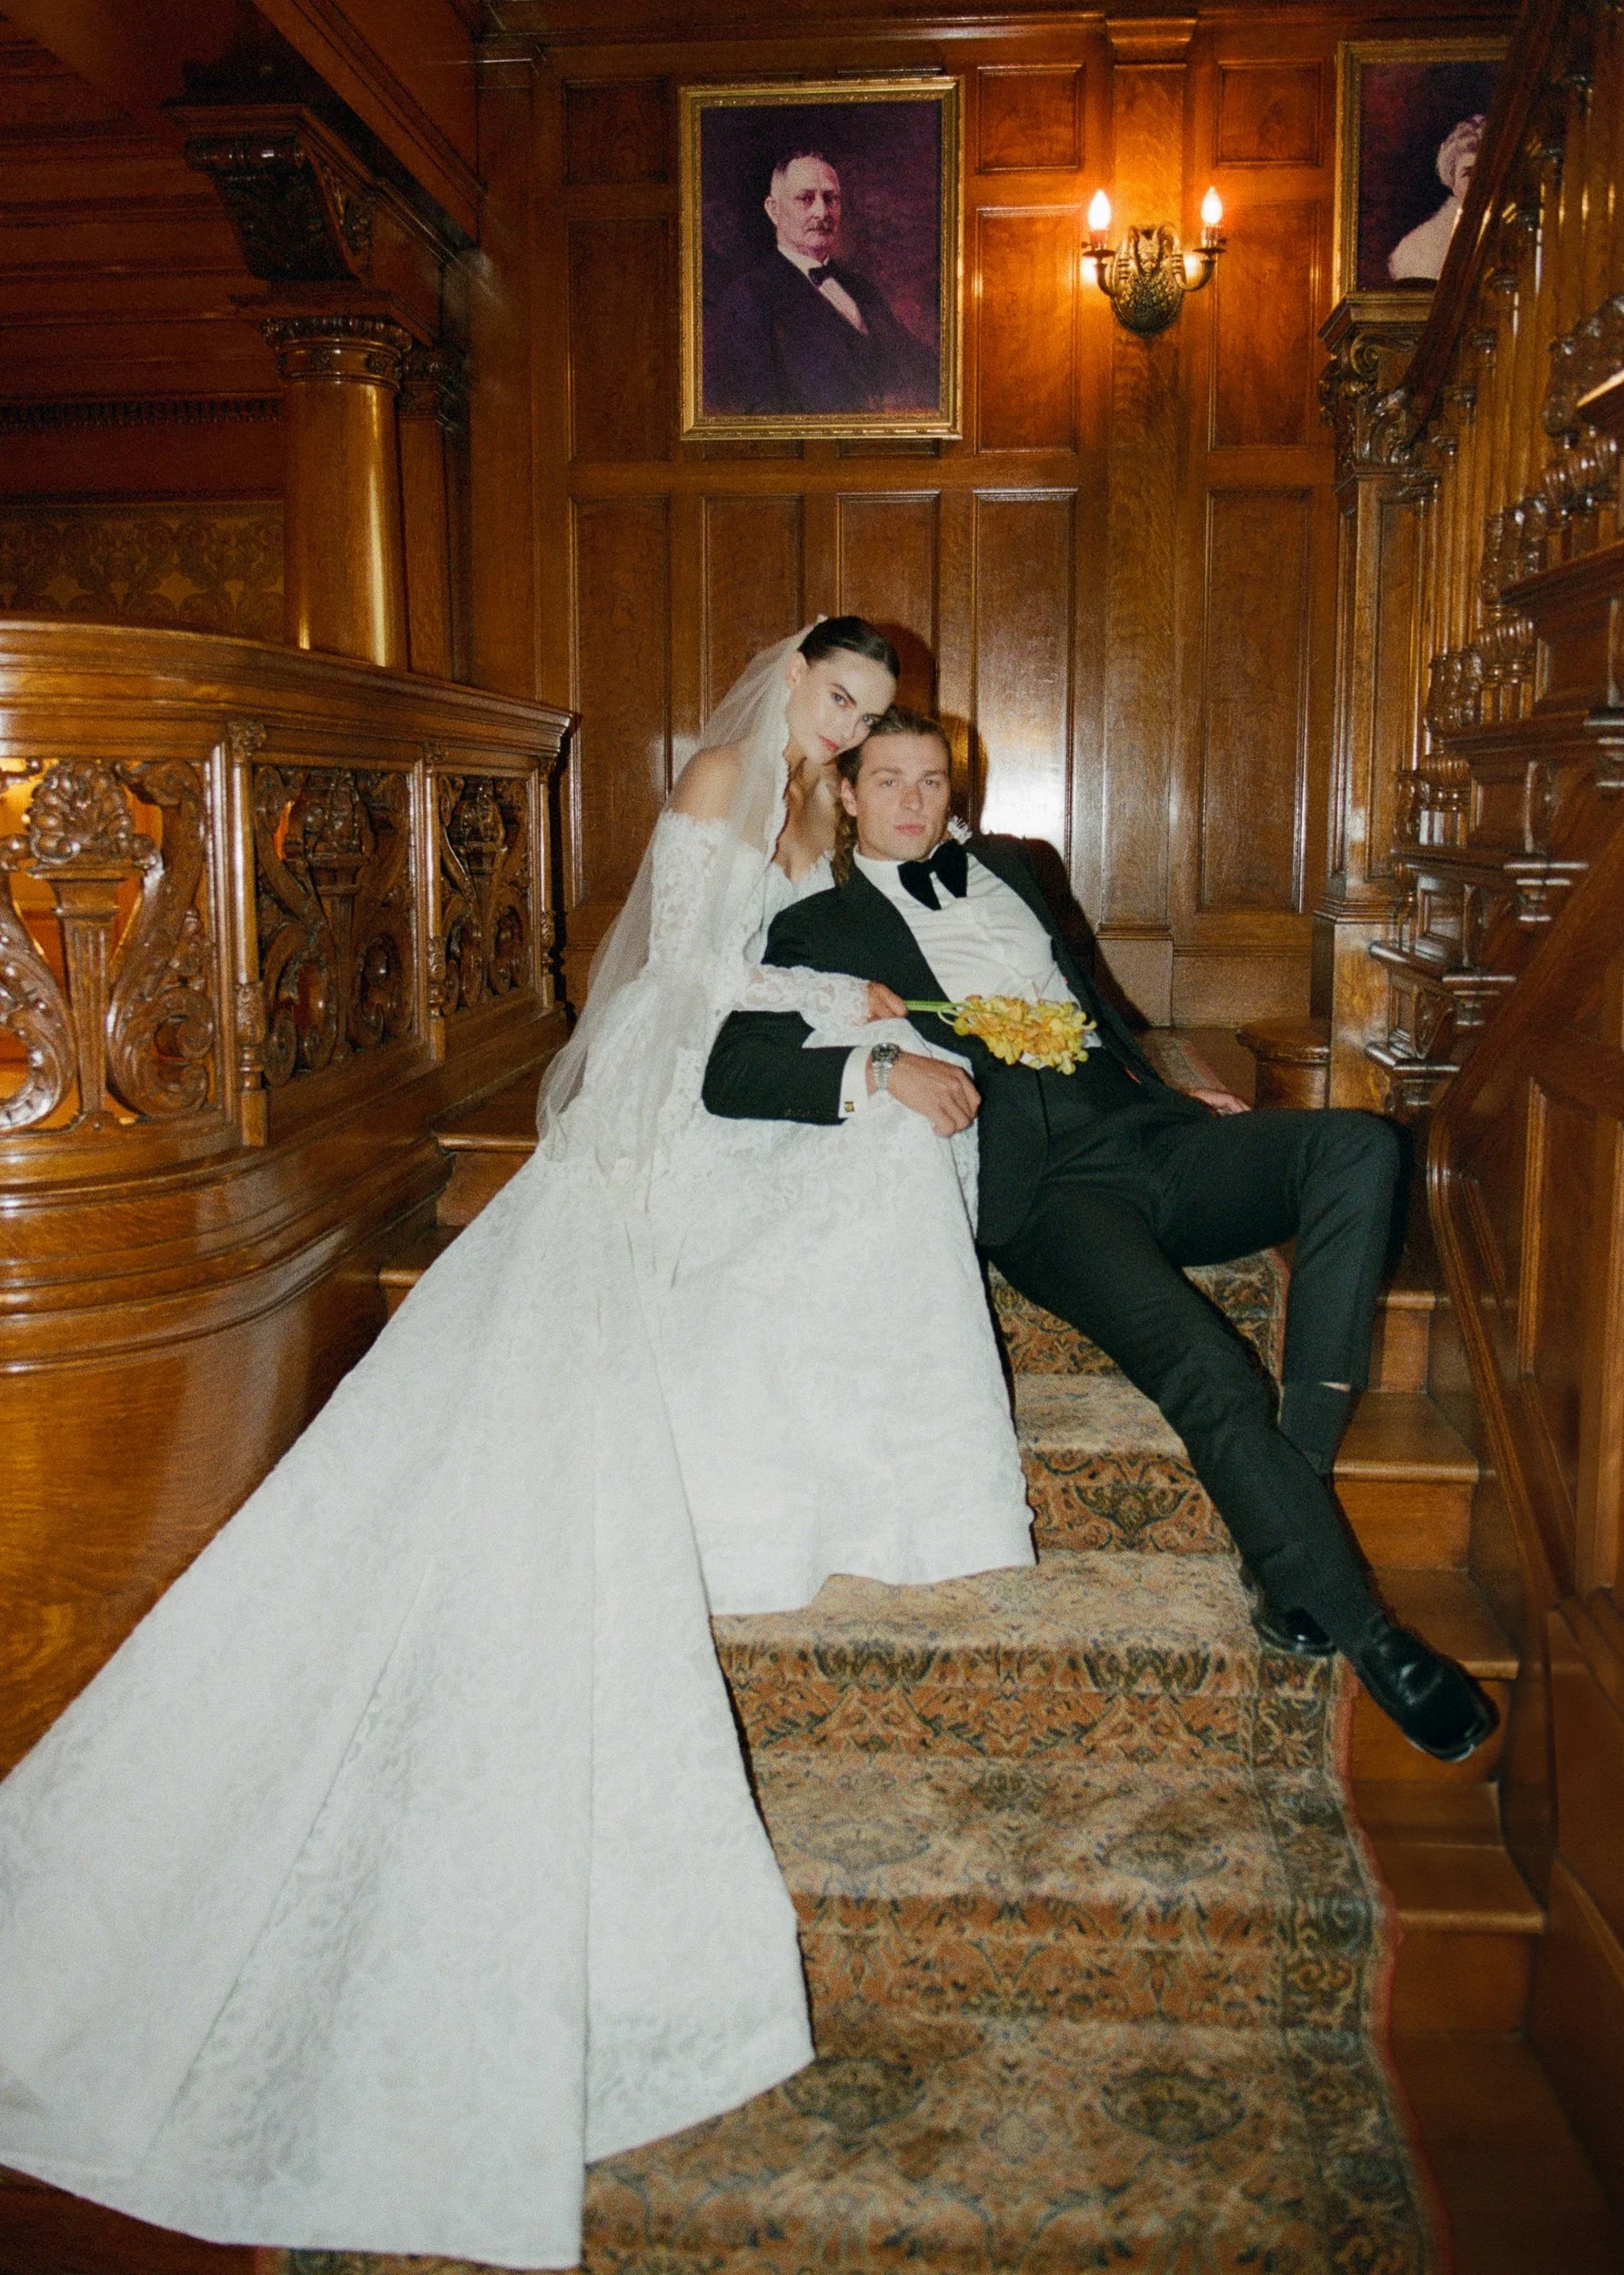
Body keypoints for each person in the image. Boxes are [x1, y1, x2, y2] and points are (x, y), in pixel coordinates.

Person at [0, 622, 1033, 2270]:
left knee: (887, 1158)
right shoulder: (718, 775)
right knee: (844, 1148)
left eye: (860, 717)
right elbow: (681, 987)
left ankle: (865, 1484)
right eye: (830, 705)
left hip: (760, 1042)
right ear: (787, 685)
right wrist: (837, 1014)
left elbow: (781, 967)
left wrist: (854, 1004)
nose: (838, 734)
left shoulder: (825, 817)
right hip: (663, 1087)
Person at [704, 710, 1500, 1767]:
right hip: (1043, 1192)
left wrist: (1171, 1090)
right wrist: (884, 1070)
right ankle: (1374, 1639)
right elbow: (732, 1070)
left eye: (931, 780)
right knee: (1207, 1364)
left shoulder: (1016, 869)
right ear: (846, 794)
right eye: (887, 780)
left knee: (1357, 1148)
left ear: (956, 790)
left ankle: (1289, 1494)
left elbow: (1093, 1003)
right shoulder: (818, 926)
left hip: (1146, 1135)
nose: (911, 800)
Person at [704, 148, 939, 416]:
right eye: (805, 198)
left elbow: (923, 373)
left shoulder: (864, 291)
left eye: (831, 199)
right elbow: (762, 410)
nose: (822, 212)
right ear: (773, 210)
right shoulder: (750, 297)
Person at [1387, 114, 1484, 281]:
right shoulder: (1424, 244)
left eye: (1484, 172)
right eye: (1468, 173)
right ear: (1452, 179)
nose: (1477, 182)